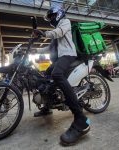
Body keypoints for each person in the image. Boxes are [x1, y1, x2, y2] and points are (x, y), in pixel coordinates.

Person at [33, 6, 90, 146]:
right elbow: (50, 47)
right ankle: (47, 106)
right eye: (50, 18)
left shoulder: (65, 22)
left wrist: (44, 33)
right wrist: (35, 50)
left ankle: (81, 119)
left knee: (56, 74)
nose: (51, 19)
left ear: (58, 14)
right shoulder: (56, 30)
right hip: (59, 58)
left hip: (68, 55)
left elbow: (58, 33)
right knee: (45, 76)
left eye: (52, 16)